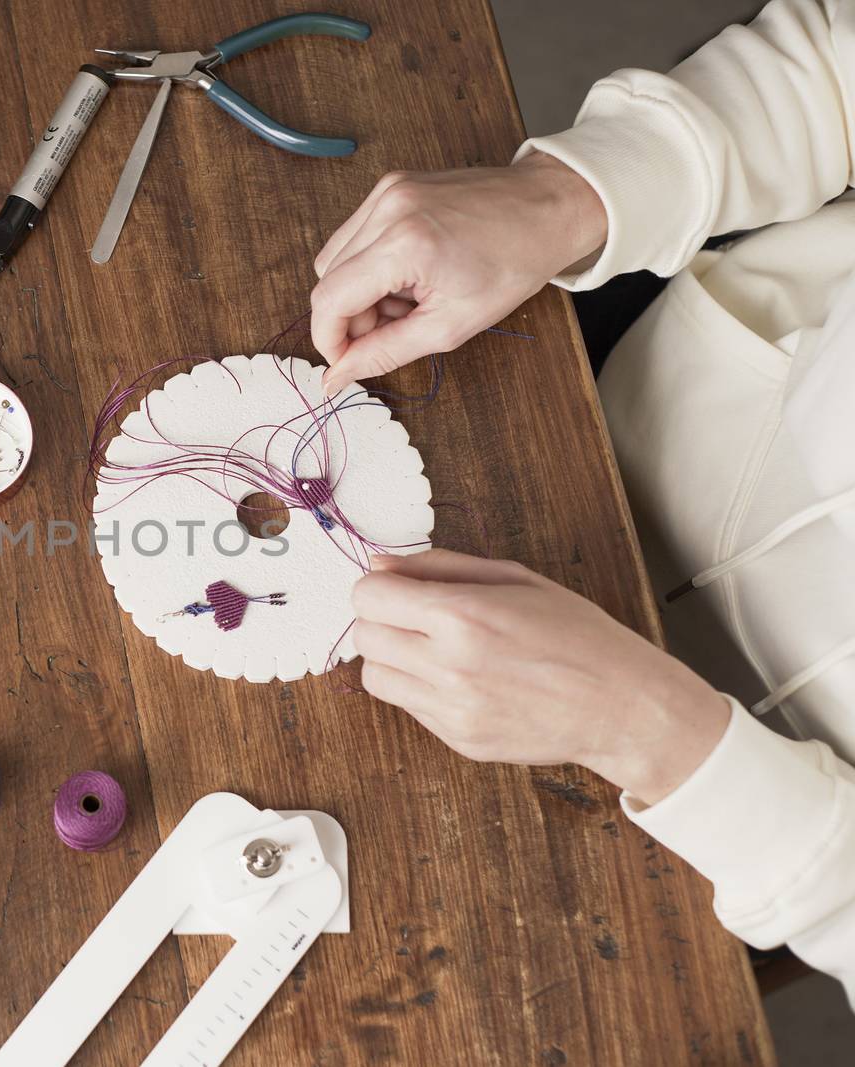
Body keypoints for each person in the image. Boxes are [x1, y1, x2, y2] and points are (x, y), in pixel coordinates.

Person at [313, 0, 855, 1003]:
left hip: (718, 831)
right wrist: (558, 198)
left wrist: (649, 731)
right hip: (613, 384)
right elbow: (837, 69)